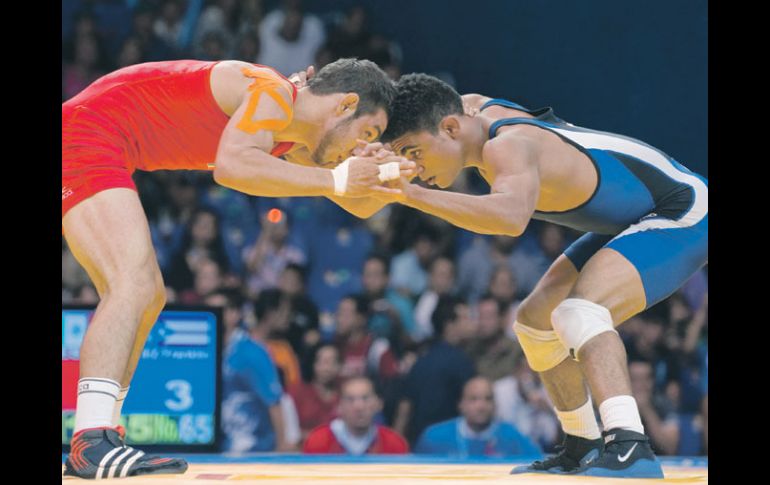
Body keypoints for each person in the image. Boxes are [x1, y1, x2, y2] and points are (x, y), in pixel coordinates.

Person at [61, 57, 413, 479]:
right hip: (85, 132)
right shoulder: (272, 92)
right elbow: (233, 167)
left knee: (148, 295)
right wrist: (339, 179)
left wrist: (389, 172)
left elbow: (359, 202)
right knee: (130, 284)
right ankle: (90, 440)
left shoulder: (292, 136)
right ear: (344, 104)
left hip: (104, 140)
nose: (358, 146)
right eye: (367, 132)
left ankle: (105, 436)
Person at [359, 73, 707, 478]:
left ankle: (632, 448)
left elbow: (509, 218)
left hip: (682, 209)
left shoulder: (508, 145)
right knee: (534, 325)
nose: (414, 168)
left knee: (580, 312)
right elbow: (443, 99)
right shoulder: (467, 111)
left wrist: (410, 195)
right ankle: (582, 446)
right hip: (634, 218)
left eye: (415, 152)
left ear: (451, 128)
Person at [414, 377, 541, 458]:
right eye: (473, 399)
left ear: (495, 405)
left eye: (488, 399)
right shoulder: (434, 437)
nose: (481, 406)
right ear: (461, 404)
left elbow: (537, 466)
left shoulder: (513, 436)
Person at [303, 377, 408, 454]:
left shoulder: (395, 445)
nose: (359, 407)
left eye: (365, 398)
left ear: (378, 404)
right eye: (350, 399)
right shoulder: (317, 442)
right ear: (339, 406)